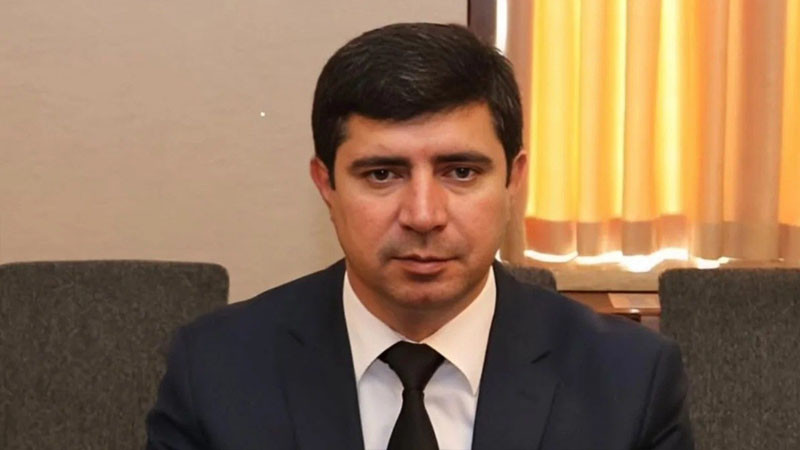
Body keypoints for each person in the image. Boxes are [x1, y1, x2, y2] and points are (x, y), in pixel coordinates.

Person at [146, 23, 693, 450]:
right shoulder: (216, 370)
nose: (424, 215)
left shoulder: (628, 380)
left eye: (461, 172)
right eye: (383, 174)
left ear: (514, 180)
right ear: (326, 184)